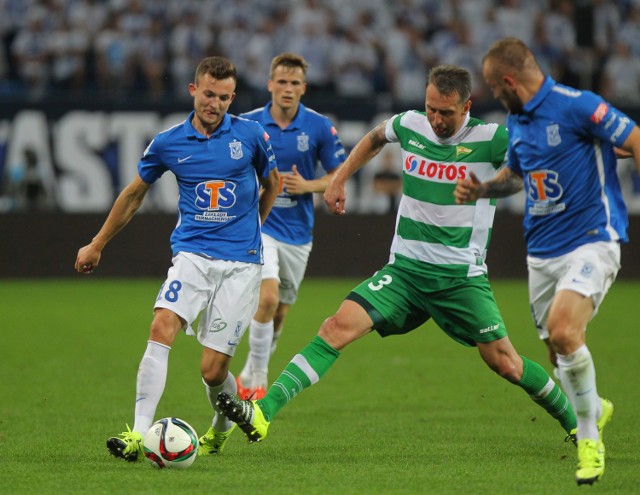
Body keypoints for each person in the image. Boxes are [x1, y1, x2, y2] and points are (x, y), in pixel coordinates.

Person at [215, 64, 579, 456]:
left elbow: (520, 174)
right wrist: (338, 178)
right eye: (431, 109)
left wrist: (486, 188)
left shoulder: (491, 139)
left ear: (467, 106)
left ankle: (579, 423)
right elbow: (374, 138)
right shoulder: (411, 124)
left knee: (506, 363)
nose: (436, 120)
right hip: (404, 273)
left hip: (459, 279)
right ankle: (263, 413)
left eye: (446, 113)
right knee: (336, 327)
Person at [454, 37, 640, 485]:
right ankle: (593, 405)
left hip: (592, 240)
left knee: (563, 330)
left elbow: (635, 140)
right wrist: (483, 190)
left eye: (493, 88)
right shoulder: (519, 121)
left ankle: (589, 437)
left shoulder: (580, 106)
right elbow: (515, 177)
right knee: (558, 352)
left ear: (509, 81)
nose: (492, 96)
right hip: (541, 253)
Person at [74, 56, 280, 461]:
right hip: (192, 256)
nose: (214, 104)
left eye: (223, 97)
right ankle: (137, 432)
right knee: (161, 324)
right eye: (208, 95)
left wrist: (254, 225)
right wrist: (97, 243)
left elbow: (272, 182)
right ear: (193, 90)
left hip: (241, 264)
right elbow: (134, 194)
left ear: (232, 97)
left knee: (212, 371)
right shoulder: (168, 142)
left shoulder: (252, 136)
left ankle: (220, 431)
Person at [234, 52, 346, 401]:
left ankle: (251, 370)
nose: (287, 88)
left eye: (294, 83)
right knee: (266, 298)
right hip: (260, 225)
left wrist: (306, 186)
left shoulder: (318, 127)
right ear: (270, 84)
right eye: (281, 82)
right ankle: (259, 380)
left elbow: (338, 176)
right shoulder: (248, 124)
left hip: (298, 233)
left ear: (303, 88)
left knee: (279, 310)